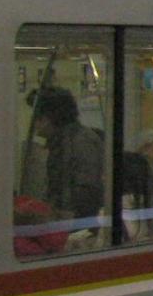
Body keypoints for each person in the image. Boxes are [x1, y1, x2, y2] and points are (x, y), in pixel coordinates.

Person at [29, 86, 105, 234]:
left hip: (79, 228)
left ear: (48, 118)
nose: (35, 124)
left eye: (37, 118)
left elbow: (86, 192)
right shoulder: (61, 142)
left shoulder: (81, 142)